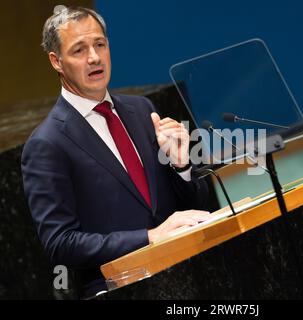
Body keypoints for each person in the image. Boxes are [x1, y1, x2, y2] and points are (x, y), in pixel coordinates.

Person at [21, 6, 211, 298]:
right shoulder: (47, 144)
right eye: (79, 50)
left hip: (191, 273)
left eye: (99, 44)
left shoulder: (142, 110)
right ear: (57, 62)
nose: (94, 57)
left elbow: (194, 205)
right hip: (123, 288)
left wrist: (182, 168)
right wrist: (149, 238)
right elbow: (60, 243)